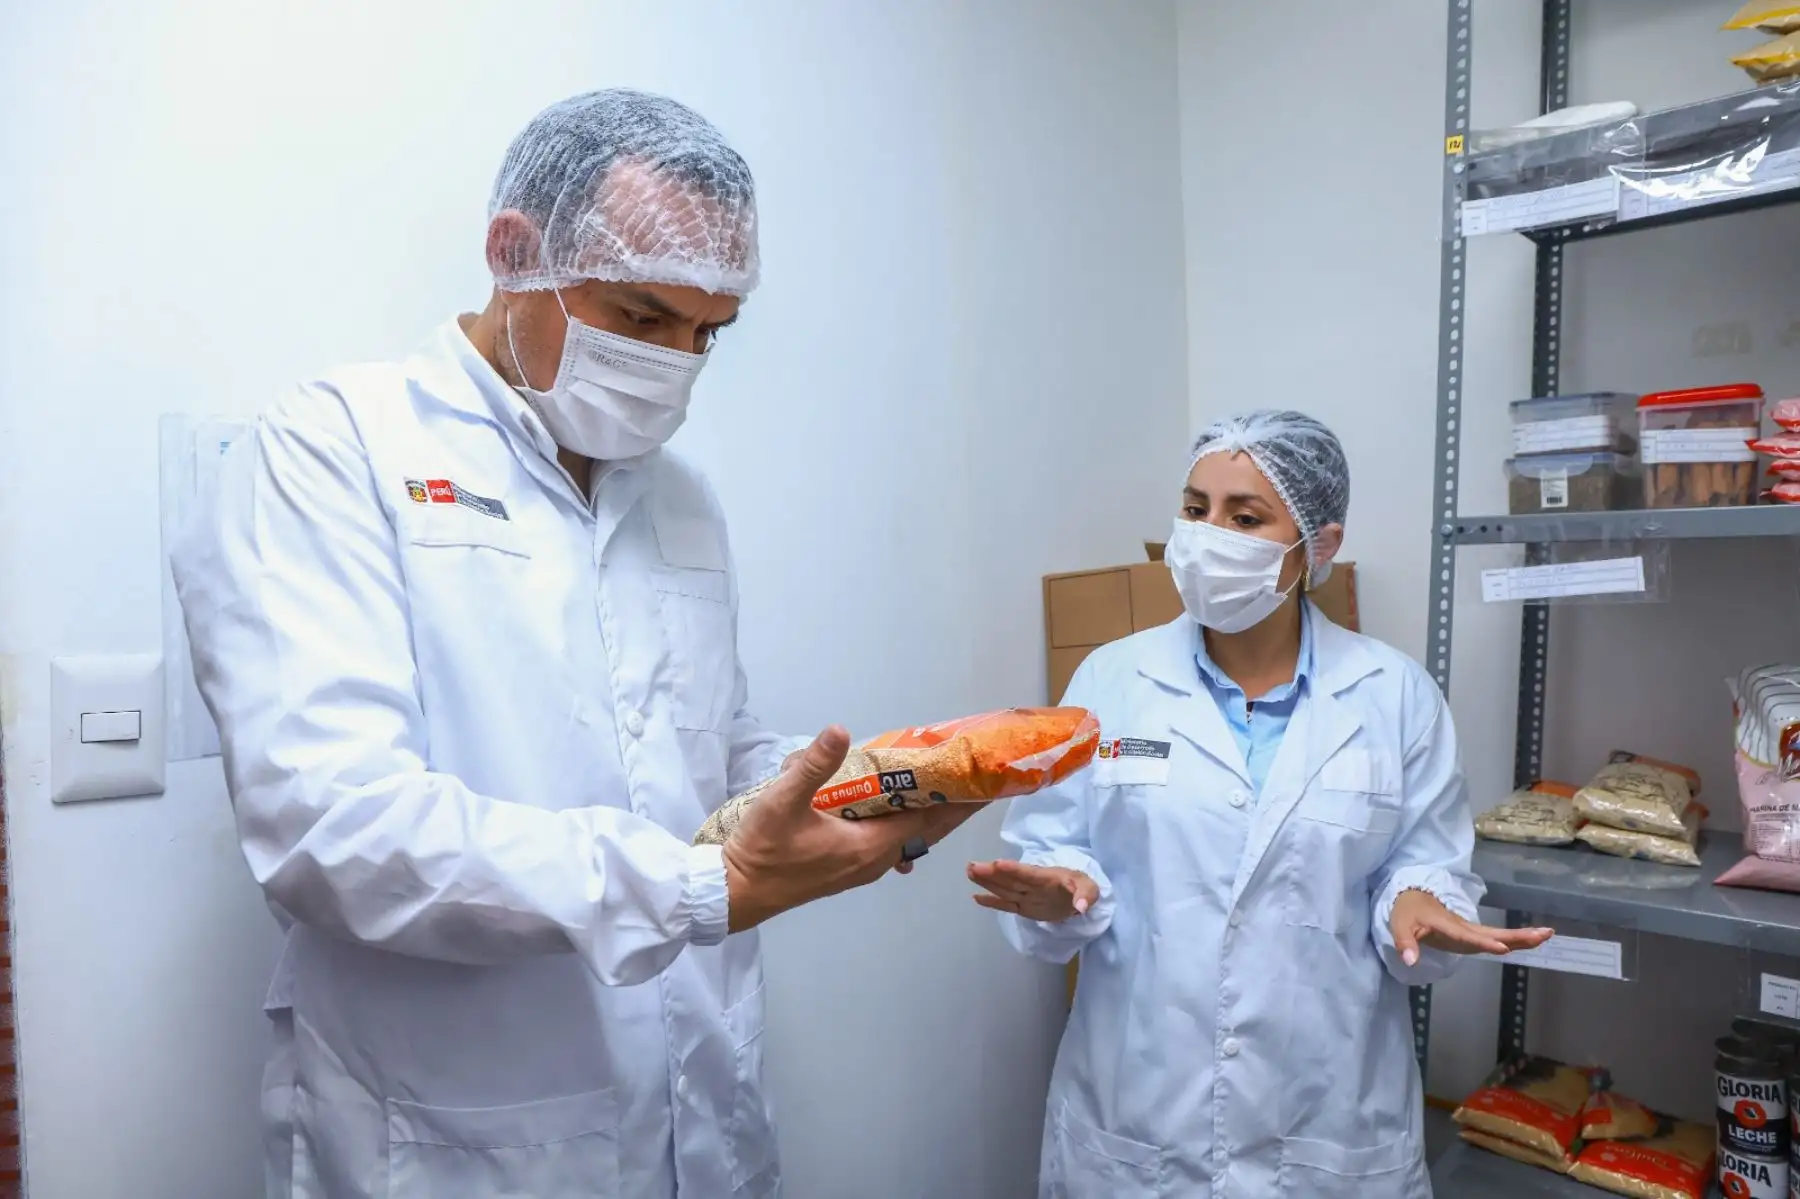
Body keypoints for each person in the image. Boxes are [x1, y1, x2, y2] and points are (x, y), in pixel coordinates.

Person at [171, 89, 976, 1199]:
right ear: (515, 254)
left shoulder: (681, 497)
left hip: (703, 1120)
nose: (677, 364)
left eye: (709, 334)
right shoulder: (335, 445)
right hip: (461, 1139)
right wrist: (700, 886)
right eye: (643, 318)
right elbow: (334, 826)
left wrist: (874, 792)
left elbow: (708, 758)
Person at [968, 411, 1553, 1198]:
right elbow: (1057, 844)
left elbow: (1425, 862)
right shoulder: (1111, 681)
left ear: (1319, 544)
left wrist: (1420, 901)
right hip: (1138, 1124)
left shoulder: (1393, 695)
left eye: (1245, 517)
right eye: (1196, 507)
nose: (1210, 536)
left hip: (1326, 1128)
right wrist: (1057, 888)